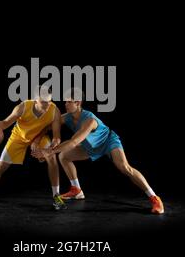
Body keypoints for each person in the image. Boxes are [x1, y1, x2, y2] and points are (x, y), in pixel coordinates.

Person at [32, 88, 164, 214]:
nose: (65, 104)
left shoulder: (89, 120)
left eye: (68, 101)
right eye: (65, 101)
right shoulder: (67, 117)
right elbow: (49, 126)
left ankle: (154, 198)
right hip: (90, 146)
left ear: (77, 103)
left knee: (125, 167)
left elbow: (73, 142)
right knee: (63, 156)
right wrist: (37, 139)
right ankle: (76, 190)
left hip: (108, 142)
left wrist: (48, 151)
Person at [0, 86, 67, 210]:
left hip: (39, 137)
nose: (47, 105)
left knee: (52, 158)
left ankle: (56, 196)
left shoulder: (55, 111)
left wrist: (49, 149)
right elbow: (5, 123)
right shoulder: (22, 107)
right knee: (0, 167)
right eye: (44, 103)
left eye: (49, 102)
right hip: (19, 137)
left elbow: (56, 137)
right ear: (35, 100)